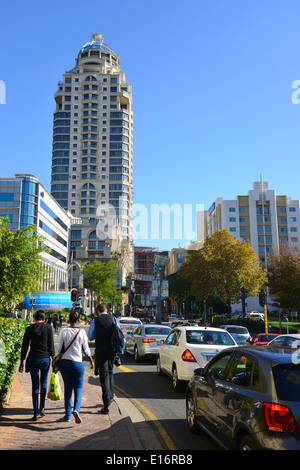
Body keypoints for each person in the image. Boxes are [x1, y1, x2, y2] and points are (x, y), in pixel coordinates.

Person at [19, 310, 55, 421]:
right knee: (43, 383)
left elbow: (25, 346)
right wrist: (53, 358)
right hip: (45, 359)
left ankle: (35, 413)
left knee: (35, 385)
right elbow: (51, 345)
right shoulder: (48, 328)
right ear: (44, 319)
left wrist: (22, 361)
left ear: (35, 318)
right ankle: (42, 407)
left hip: (33, 359)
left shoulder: (29, 329)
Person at [59, 311, 94, 423]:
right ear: (79, 320)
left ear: (69, 319)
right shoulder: (82, 331)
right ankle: (77, 410)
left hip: (65, 362)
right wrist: (91, 360)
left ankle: (67, 415)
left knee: (68, 388)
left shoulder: (63, 331)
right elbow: (86, 349)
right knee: (78, 387)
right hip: (78, 363)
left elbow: (60, 349)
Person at [88, 303, 117, 414]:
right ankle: (110, 396)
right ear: (107, 310)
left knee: (103, 375)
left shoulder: (96, 320)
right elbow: (118, 332)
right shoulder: (113, 319)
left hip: (101, 350)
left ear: (98, 311)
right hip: (112, 350)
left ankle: (106, 404)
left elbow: (90, 337)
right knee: (110, 372)